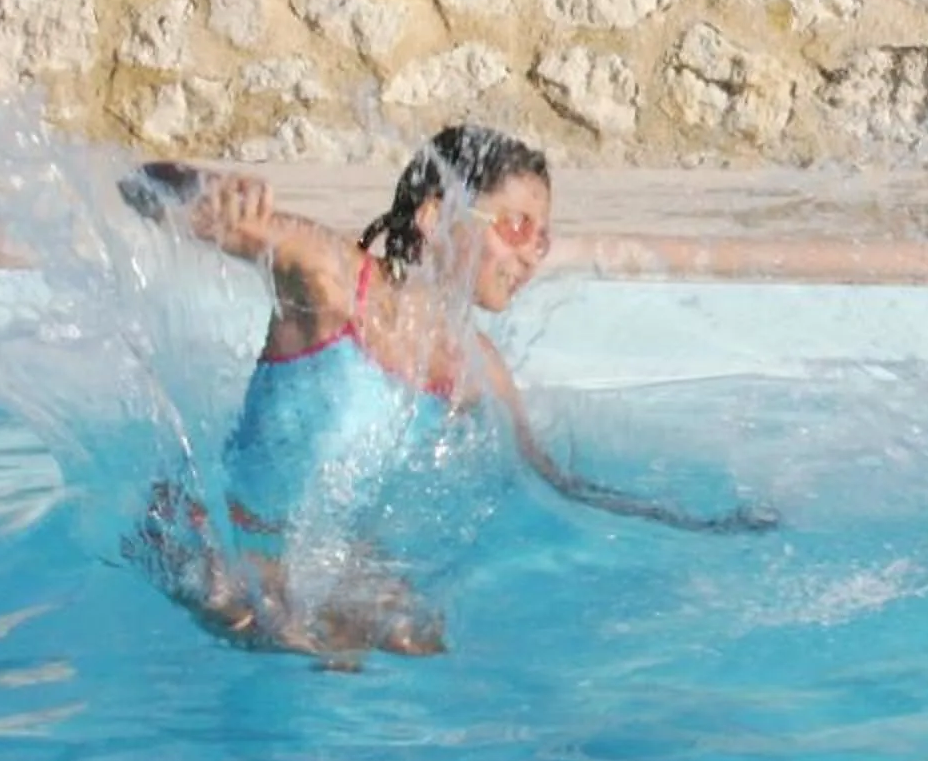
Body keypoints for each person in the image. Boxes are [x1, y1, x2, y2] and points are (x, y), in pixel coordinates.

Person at [118, 124, 774, 663]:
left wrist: (694, 523)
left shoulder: (474, 363)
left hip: (324, 556)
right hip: (215, 535)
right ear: (436, 217)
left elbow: (554, 480)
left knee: (418, 637)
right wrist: (202, 191)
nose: (531, 255)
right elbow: (141, 186)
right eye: (515, 228)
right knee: (279, 634)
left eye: (541, 237)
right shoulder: (333, 280)